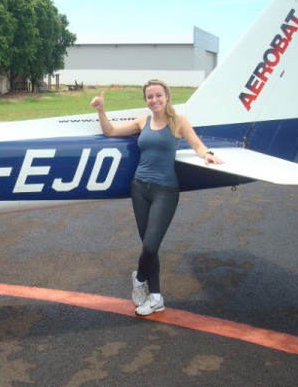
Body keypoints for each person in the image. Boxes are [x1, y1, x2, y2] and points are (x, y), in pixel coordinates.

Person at [90, 79, 223, 316]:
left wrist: (208, 154)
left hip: (165, 190)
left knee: (151, 246)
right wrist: (101, 110)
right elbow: (110, 132)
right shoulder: (144, 121)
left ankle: (139, 279)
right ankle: (157, 298)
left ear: (167, 96)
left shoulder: (178, 121)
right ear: (146, 100)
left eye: (158, 95)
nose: (154, 100)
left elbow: (198, 145)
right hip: (139, 188)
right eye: (150, 97)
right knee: (148, 246)